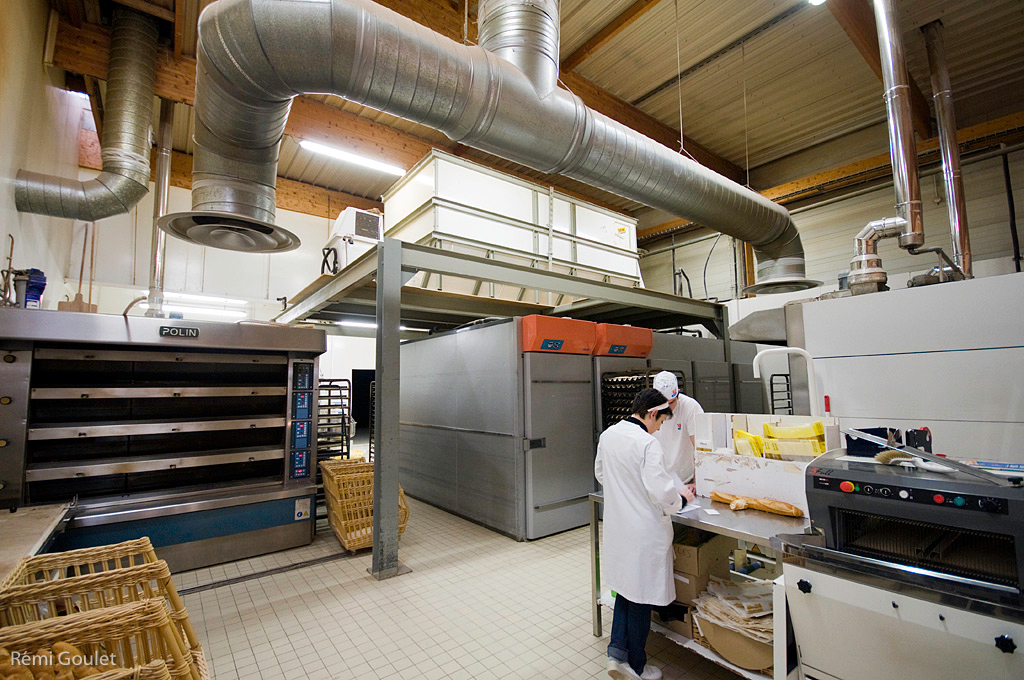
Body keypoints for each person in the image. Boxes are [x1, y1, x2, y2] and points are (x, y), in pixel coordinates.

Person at [595, 388, 697, 680]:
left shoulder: (609, 435)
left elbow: (601, 474)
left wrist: (628, 489)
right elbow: (663, 492)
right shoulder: (647, 444)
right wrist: (683, 497)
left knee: (626, 592)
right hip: (645, 532)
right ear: (652, 413)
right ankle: (637, 666)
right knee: (640, 599)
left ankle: (617, 654)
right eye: (661, 422)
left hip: (619, 528)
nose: (660, 427)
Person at [651, 371, 704, 495]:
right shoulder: (648, 410)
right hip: (658, 479)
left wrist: (697, 482)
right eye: (664, 404)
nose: (668, 409)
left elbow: (700, 448)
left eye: (672, 402)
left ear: (678, 393)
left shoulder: (690, 407)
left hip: (686, 480)